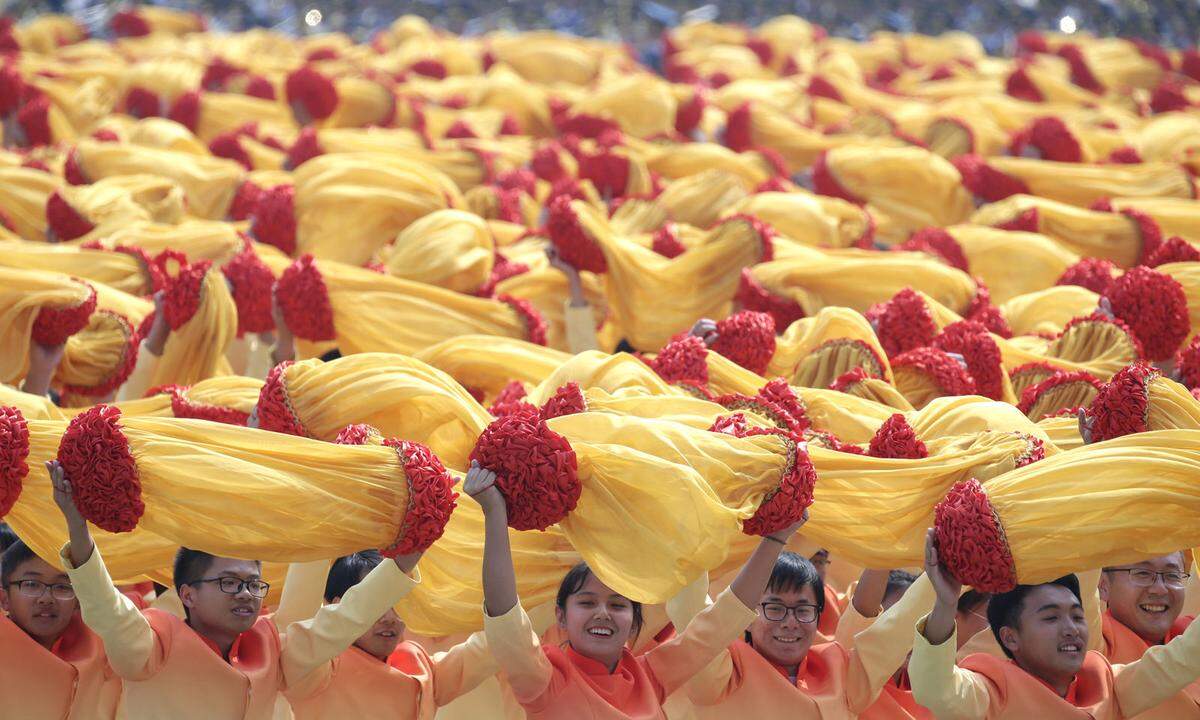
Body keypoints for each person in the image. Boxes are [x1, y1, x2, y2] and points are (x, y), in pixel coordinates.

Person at [50, 460, 423, 720]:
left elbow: (345, 620)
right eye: (228, 582)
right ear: (187, 594)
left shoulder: (271, 649)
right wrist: (78, 530)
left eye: (252, 583)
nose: (245, 593)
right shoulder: (153, 645)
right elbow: (107, 610)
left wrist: (407, 558)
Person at [466, 459, 805, 719]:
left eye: (618, 604)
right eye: (587, 602)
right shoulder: (542, 679)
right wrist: (494, 513)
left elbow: (720, 623)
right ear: (561, 617)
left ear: (634, 618)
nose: (603, 612)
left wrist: (776, 539)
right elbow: (505, 614)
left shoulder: (651, 676)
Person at [911, 529, 1200, 719]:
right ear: (1011, 638)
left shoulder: (1105, 681)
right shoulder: (993, 690)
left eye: (1077, 616)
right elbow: (936, 690)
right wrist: (945, 605)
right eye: (1051, 617)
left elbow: (1181, 659)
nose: (1071, 628)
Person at [667, 554, 935, 718]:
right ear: (746, 616)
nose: (789, 622)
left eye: (803, 610)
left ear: (819, 616)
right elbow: (690, 606)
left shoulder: (839, 673)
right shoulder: (721, 672)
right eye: (775, 608)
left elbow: (898, 627)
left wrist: (943, 572)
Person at [285, 551, 499, 720]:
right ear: (335, 606)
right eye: (376, 604)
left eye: (399, 604)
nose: (389, 618)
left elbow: (496, 642)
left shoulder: (421, 665)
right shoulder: (315, 669)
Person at [1, 539, 122, 719]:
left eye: (62, 587)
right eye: (31, 584)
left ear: (79, 601)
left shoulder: (102, 654)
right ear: (4, 599)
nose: (46, 599)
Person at [1099, 553, 1199, 718]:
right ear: (1103, 586)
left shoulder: (1186, 628)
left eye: (1172, 575)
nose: (1159, 589)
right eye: (1142, 573)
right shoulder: (1094, 640)